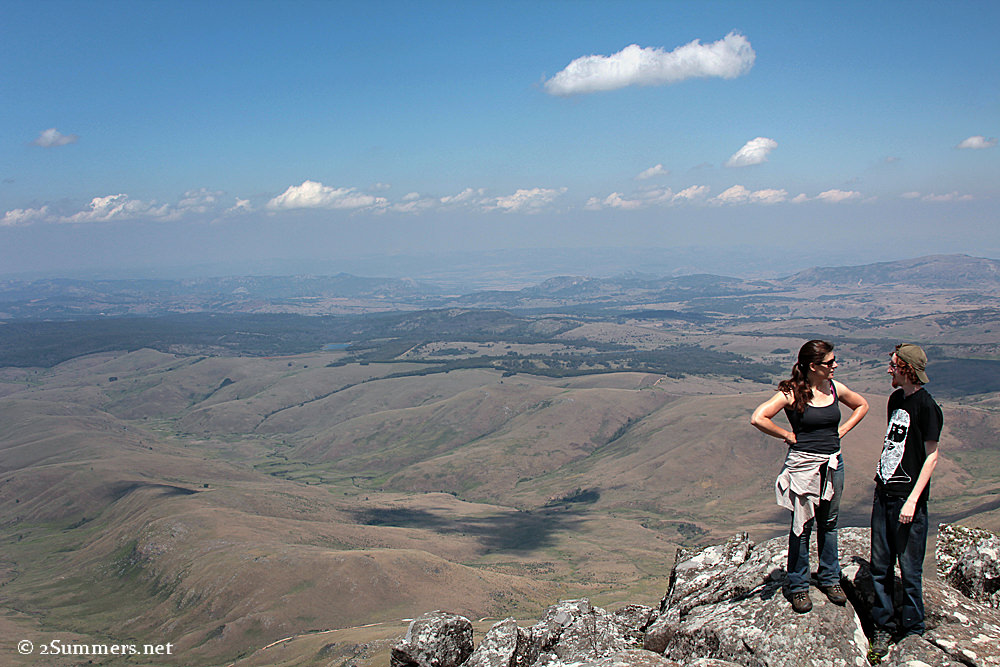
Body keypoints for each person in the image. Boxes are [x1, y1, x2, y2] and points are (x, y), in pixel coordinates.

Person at [751, 340, 869, 613]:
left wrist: (841, 432)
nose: (835, 366)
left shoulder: (834, 388)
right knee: (802, 526)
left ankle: (830, 579)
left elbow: (862, 405)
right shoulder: (792, 392)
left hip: (833, 464)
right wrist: (788, 435)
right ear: (813, 366)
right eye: (829, 363)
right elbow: (759, 417)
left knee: (829, 522)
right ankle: (799, 586)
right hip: (804, 467)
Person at [868, 343, 943, 662]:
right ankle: (882, 626)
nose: (889, 370)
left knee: (910, 570)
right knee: (880, 565)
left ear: (907, 370)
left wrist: (913, 500)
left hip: (907, 501)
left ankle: (914, 629)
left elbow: (931, 455)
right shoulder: (895, 399)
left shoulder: (927, 407)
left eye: (894, 365)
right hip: (884, 493)